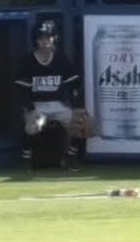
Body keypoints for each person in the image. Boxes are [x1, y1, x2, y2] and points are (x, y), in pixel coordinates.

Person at [15, 20, 89, 170]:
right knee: (33, 126)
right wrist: (30, 109)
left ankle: (70, 156)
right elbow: (21, 90)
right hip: (37, 105)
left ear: (54, 38)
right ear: (35, 40)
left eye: (48, 37)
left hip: (58, 105)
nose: (45, 41)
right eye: (41, 38)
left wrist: (77, 107)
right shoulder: (28, 60)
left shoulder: (61, 59)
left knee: (85, 123)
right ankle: (26, 158)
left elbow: (74, 84)